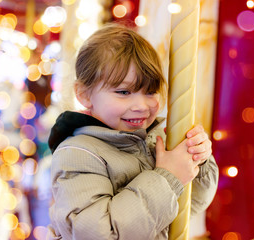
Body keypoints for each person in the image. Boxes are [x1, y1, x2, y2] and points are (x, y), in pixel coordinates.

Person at [48, 23, 219, 240]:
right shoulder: (77, 154)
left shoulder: (153, 138)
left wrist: (198, 160)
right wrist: (167, 178)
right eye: (123, 91)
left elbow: (191, 205)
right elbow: (98, 234)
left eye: (150, 91)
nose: (141, 105)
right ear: (84, 94)